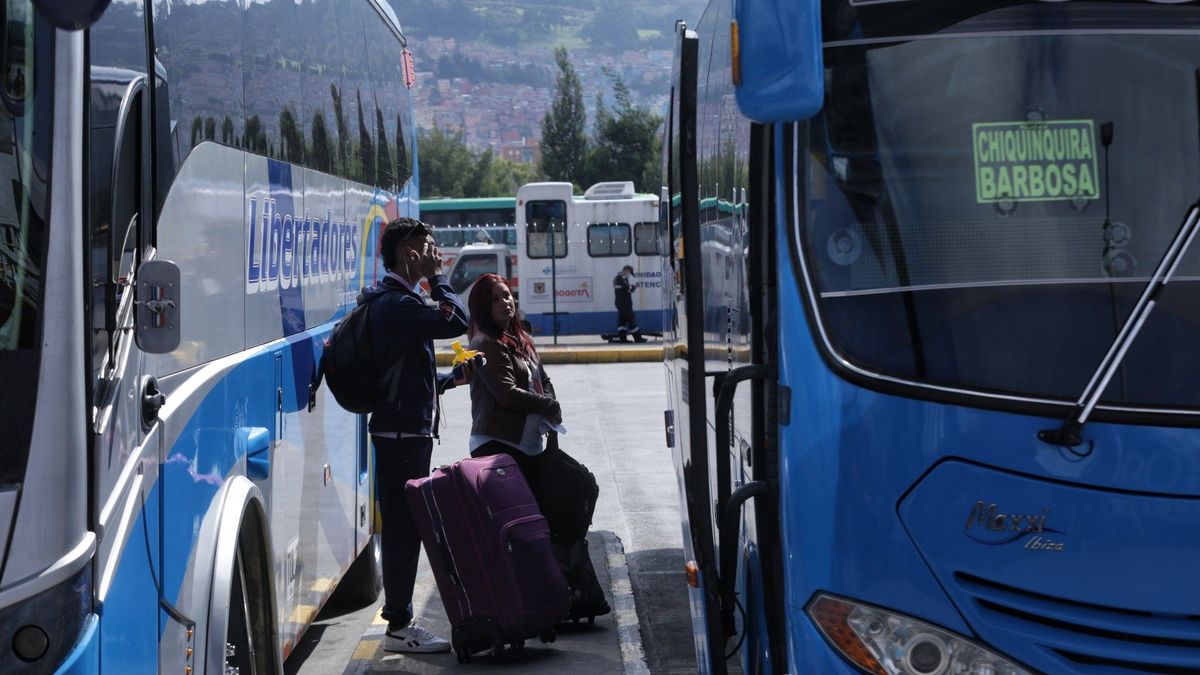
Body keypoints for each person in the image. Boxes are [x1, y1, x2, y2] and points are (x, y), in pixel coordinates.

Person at [466, 274, 611, 620]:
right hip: (498, 448)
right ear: (483, 308)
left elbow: (542, 379)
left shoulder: (521, 338)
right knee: (521, 530)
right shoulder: (484, 344)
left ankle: (558, 592)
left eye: (508, 296)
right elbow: (506, 395)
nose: (506, 303)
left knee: (579, 489)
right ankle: (527, 603)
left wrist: (551, 400)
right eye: (497, 300)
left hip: (531, 446)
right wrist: (548, 407)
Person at [362, 217, 475, 654]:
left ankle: (399, 620)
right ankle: (398, 626)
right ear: (409, 254)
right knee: (405, 528)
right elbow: (455, 320)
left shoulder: (398, 302)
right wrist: (438, 279)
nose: (435, 255)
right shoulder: (397, 303)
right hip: (400, 434)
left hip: (405, 429)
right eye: (428, 249)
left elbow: (408, 374)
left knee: (407, 525)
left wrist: (450, 379)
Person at [613, 265, 646, 342]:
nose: (630, 275)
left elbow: (630, 290)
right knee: (631, 319)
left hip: (624, 303)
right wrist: (632, 287)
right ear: (626, 270)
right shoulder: (619, 278)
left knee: (622, 322)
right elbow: (627, 288)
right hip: (623, 303)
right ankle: (638, 338)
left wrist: (634, 287)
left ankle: (623, 339)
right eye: (630, 273)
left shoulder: (624, 279)